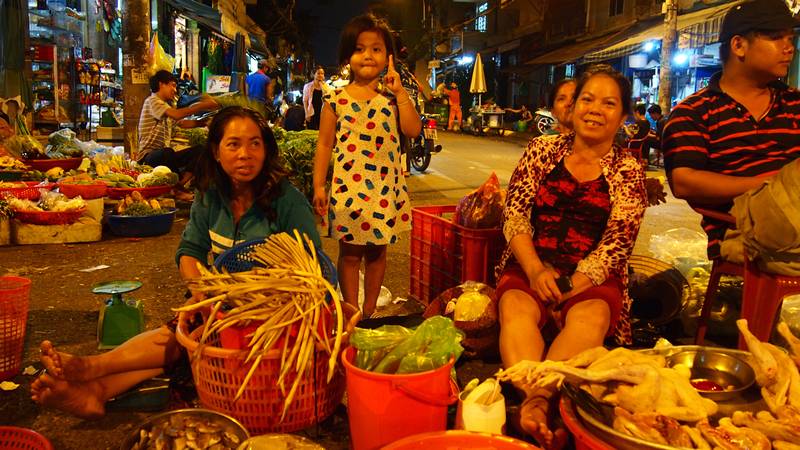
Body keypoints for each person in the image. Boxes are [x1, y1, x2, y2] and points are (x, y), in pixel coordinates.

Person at [30, 106, 321, 419]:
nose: (245, 154)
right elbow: (190, 250)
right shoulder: (210, 195)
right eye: (233, 144)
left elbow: (314, 268)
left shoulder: (287, 201)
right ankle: (97, 390)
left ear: (266, 149)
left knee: (192, 334)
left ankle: (92, 372)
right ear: (216, 150)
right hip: (221, 304)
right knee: (193, 327)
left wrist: (265, 302)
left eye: (255, 143)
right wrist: (198, 288)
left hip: (279, 313)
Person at [496, 65, 647, 449]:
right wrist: (533, 270)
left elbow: (618, 242)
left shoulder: (628, 168)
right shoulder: (541, 150)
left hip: (591, 278)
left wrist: (570, 287)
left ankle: (539, 398)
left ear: (624, 115)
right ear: (573, 106)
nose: (596, 109)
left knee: (590, 317)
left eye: (609, 103)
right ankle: (538, 399)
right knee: (515, 307)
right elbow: (515, 213)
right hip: (531, 265)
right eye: (588, 99)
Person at [662, 0, 800, 261]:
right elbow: (683, 182)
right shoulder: (695, 112)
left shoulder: (795, 104)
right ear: (739, 45)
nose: (789, 48)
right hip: (743, 232)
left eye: (790, 38)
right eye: (775, 38)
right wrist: (772, 185)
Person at [312, 14, 421, 318]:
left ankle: (369, 311)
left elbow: (413, 131)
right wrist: (319, 184)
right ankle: (351, 311)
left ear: (388, 55)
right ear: (349, 56)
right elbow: (324, 144)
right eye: (360, 48)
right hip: (348, 191)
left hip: (386, 191)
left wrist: (400, 93)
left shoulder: (394, 96)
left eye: (376, 49)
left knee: (377, 252)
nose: (368, 56)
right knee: (349, 255)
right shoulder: (335, 98)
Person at [137, 70, 218, 188]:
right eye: (173, 85)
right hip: (148, 157)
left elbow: (182, 123)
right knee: (167, 152)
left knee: (200, 150)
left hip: (163, 155)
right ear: (161, 84)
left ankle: (180, 184)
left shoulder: (165, 107)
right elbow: (176, 115)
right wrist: (202, 105)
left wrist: (204, 123)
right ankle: (176, 187)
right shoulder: (152, 101)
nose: (175, 90)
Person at [303, 66, 329, 130]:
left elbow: (329, 99)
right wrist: (307, 114)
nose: (320, 75)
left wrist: (323, 86)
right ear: (314, 74)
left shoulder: (326, 86)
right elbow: (305, 101)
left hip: (322, 114)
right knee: (311, 133)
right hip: (312, 113)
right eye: (318, 73)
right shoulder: (308, 86)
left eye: (322, 73)